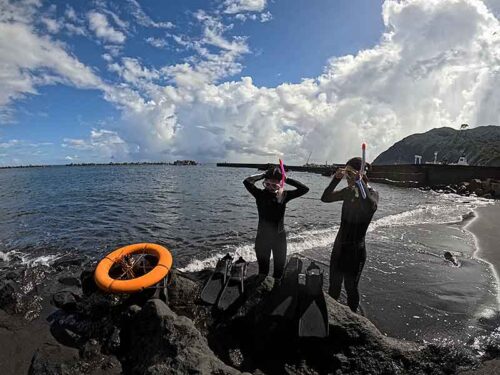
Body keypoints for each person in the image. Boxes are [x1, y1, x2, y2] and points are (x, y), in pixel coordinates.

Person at [321, 157, 379, 312]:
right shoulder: (348, 192)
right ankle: (333, 318)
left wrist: (360, 184)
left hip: (356, 251)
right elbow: (325, 198)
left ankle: (354, 319)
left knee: (351, 287)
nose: (348, 178)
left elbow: (370, 207)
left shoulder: (372, 194)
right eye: (347, 174)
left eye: (351, 174)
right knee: (334, 286)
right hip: (339, 248)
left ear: (361, 174)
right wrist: (335, 179)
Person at [244, 166, 309, 279]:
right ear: (264, 183)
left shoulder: (284, 196)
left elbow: (304, 189)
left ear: (280, 185)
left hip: (279, 239)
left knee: (278, 272)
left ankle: (274, 292)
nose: (270, 188)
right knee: (263, 272)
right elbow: (247, 182)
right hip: (262, 239)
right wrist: (264, 175)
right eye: (267, 184)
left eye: (274, 185)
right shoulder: (259, 194)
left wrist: (286, 178)